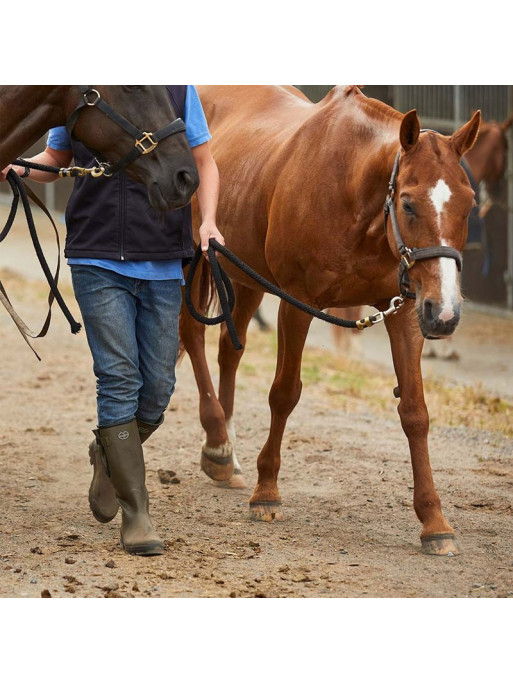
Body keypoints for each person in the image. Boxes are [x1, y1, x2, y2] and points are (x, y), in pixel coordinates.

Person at [4, 85, 224, 556]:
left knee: (159, 387)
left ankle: (109, 452)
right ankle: (136, 511)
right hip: (97, 255)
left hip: (164, 257)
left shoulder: (175, 87)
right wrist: (19, 167)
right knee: (119, 378)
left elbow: (204, 161)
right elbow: (58, 156)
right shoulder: (86, 87)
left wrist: (208, 221)